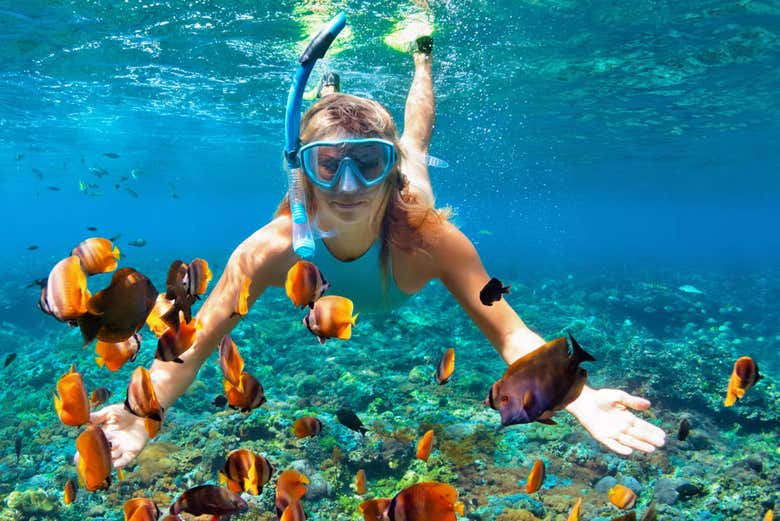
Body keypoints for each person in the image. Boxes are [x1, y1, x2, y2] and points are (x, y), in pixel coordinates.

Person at [90, 35, 665, 469]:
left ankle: (420, 56)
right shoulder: (271, 249)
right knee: (334, 130)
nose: (347, 186)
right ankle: (329, 97)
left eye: (369, 163)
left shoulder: (431, 239)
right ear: (305, 176)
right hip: (302, 212)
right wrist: (145, 413)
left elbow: (510, 333)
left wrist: (575, 392)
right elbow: (195, 342)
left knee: (415, 142)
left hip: (408, 202)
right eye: (327, 166)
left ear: (389, 176)